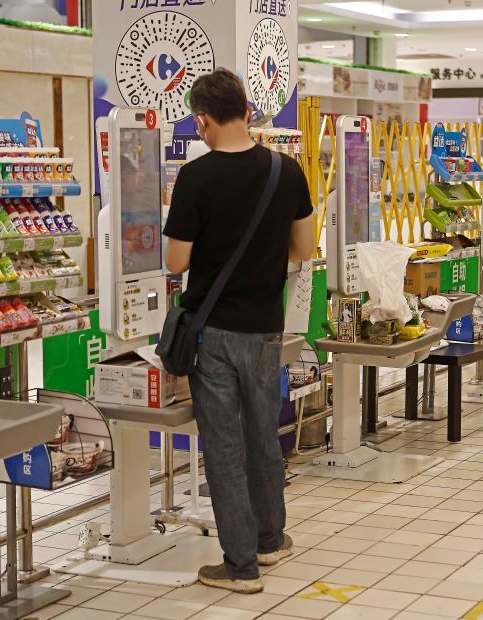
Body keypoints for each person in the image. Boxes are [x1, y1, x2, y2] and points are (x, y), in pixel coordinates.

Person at [162, 68, 315, 594]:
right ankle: (271, 539)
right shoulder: (287, 171)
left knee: (224, 447)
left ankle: (240, 565)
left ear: (202, 119)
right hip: (266, 329)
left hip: (215, 333)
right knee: (262, 436)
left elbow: (175, 260)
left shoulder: (196, 178)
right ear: (247, 110)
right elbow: (303, 250)